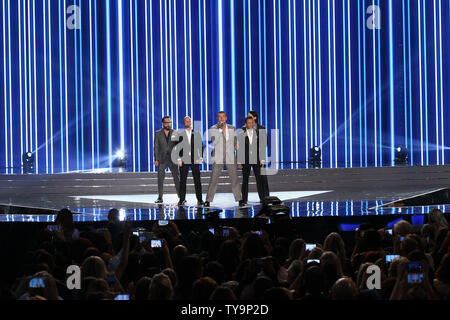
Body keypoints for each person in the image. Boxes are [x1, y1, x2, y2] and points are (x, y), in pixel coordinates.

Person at [204, 111, 242, 207]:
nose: (221, 118)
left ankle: (239, 199)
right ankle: (208, 200)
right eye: (219, 117)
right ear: (217, 118)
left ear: (226, 118)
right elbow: (214, 140)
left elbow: (235, 142)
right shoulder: (213, 128)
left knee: (234, 179)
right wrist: (220, 130)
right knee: (214, 179)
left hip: (230, 156)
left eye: (223, 117)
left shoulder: (232, 128)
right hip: (218, 157)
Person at [174, 116, 204, 206]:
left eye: (189, 121)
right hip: (184, 160)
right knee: (182, 181)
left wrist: (201, 157)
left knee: (197, 180)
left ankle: (200, 199)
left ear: (191, 122)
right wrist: (178, 159)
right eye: (186, 121)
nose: (187, 122)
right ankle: (182, 199)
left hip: (195, 159)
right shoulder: (180, 134)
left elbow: (200, 146)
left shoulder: (197, 133)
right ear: (184, 123)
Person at [237, 116, 266, 205]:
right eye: (248, 123)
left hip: (256, 159)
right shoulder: (241, 134)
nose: (250, 124)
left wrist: (262, 160)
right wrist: (239, 161)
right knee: (245, 180)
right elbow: (240, 148)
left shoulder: (258, 133)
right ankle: (244, 199)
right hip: (245, 160)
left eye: (252, 122)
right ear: (246, 124)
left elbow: (261, 148)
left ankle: (262, 198)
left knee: (259, 180)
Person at [153, 116, 181, 203]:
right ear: (163, 123)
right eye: (166, 122)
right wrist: (156, 159)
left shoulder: (175, 133)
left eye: (169, 122)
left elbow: (178, 147)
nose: (168, 124)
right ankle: (160, 197)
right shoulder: (158, 133)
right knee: (160, 178)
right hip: (162, 159)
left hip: (173, 159)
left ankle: (181, 197)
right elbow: (156, 147)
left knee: (177, 178)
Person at [244, 110, 270, 200]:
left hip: (258, 158)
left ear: (255, 118)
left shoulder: (261, 128)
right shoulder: (244, 128)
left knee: (262, 179)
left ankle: (265, 198)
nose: (248, 118)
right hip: (247, 158)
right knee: (245, 180)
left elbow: (264, 144)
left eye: (250, 116)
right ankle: (244, 199)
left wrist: (262, 158)